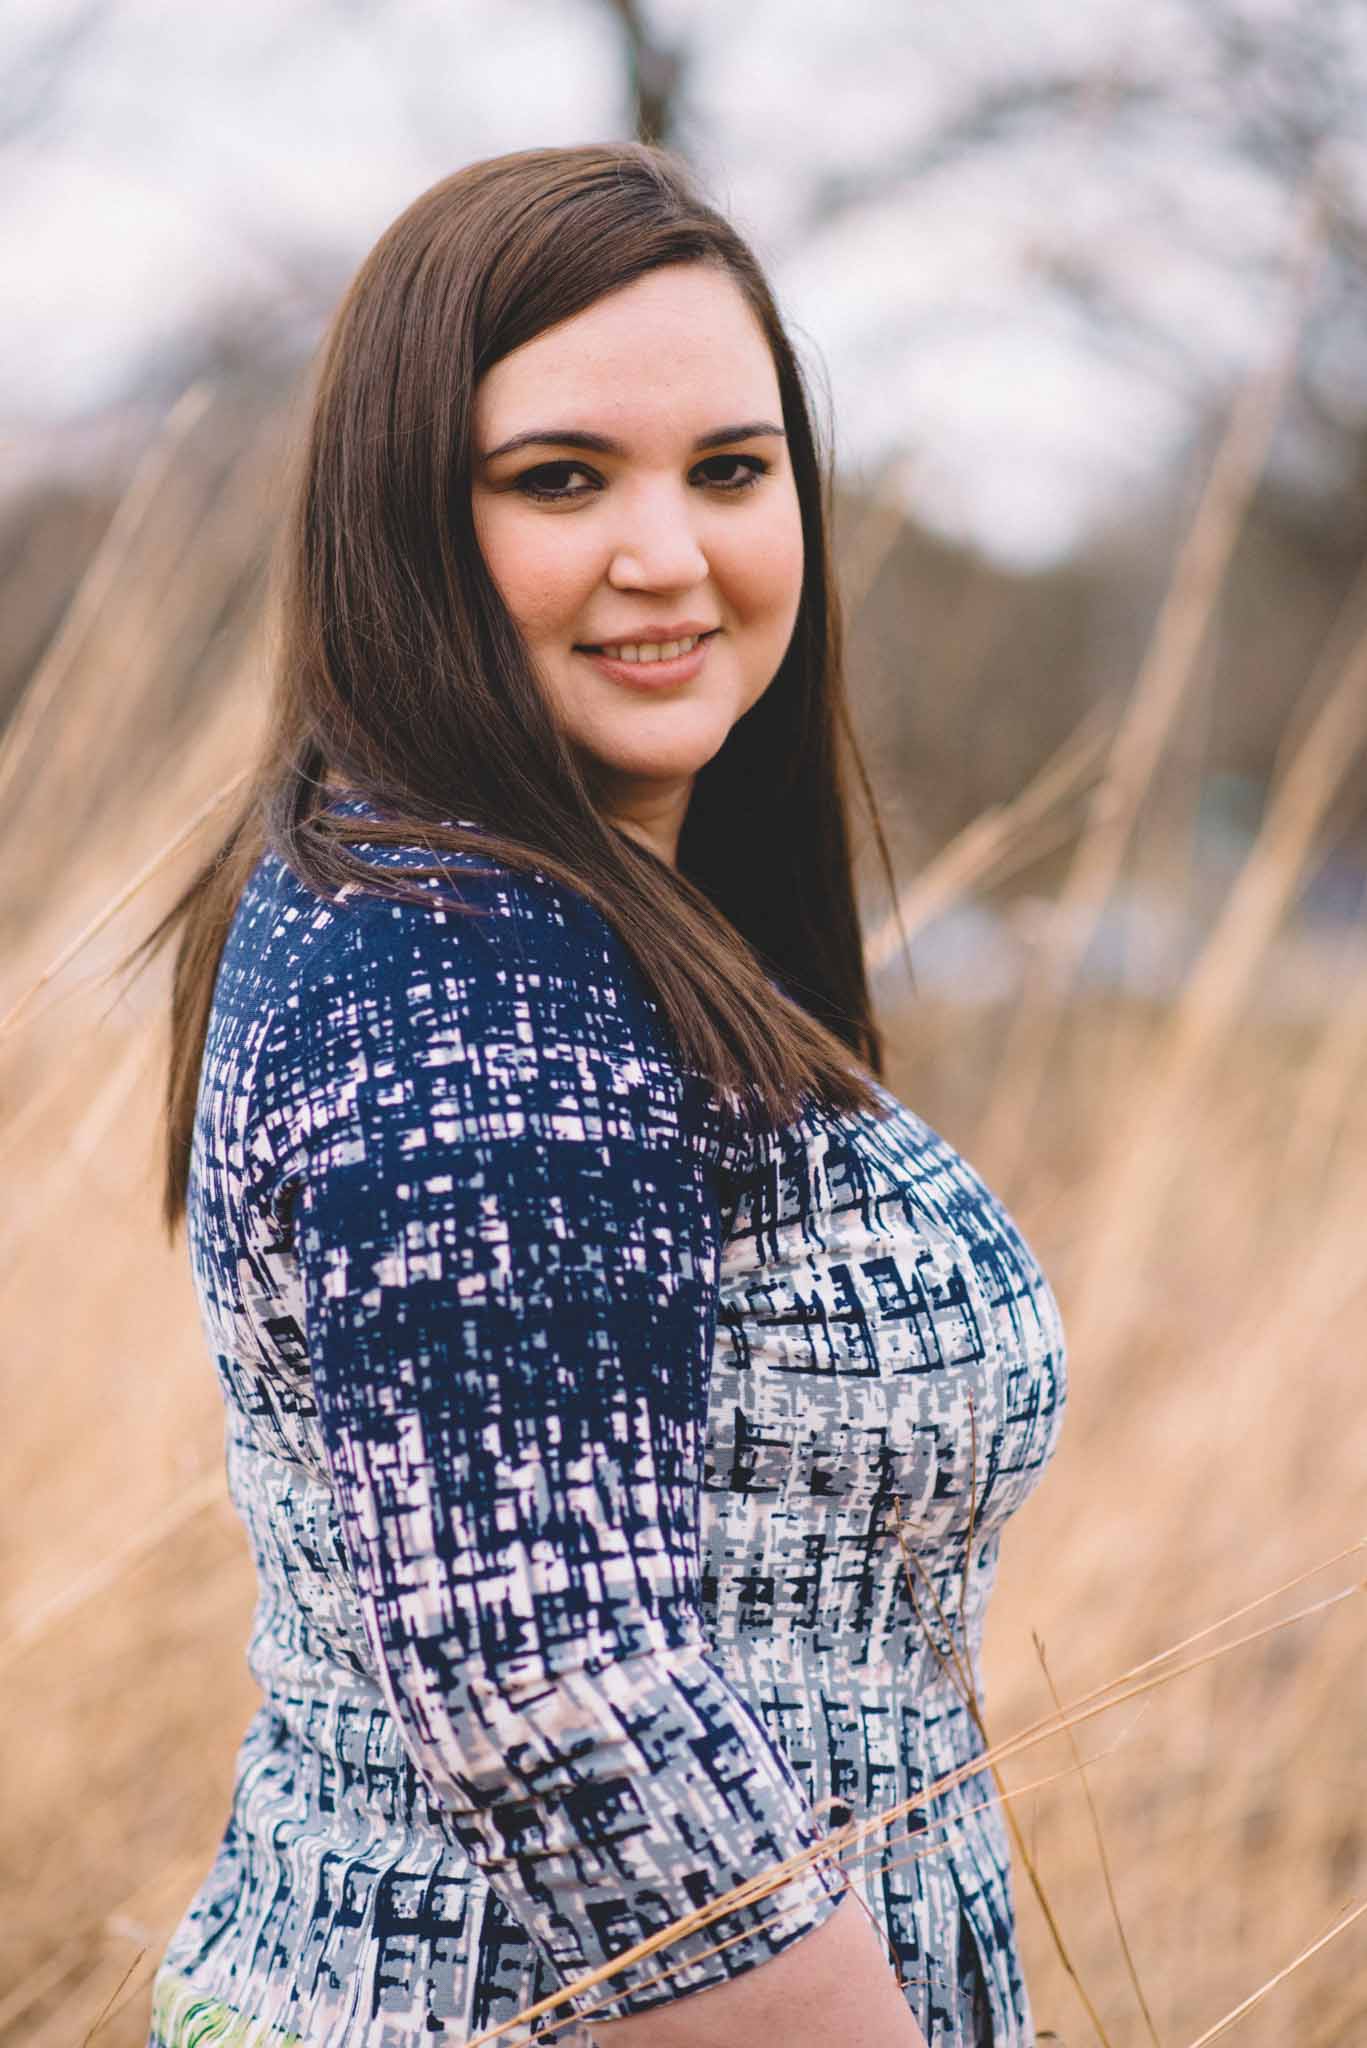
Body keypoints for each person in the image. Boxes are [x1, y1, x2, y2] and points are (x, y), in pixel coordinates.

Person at [139, 141, 1067, 2048]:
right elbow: (548, 1678)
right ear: (405, 526)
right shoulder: (461, 956)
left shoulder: (516, 901)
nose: (674, 551)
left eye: (732, 468)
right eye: (561, 479)